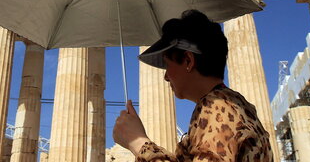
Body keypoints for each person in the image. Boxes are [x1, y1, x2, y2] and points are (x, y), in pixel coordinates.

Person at [113, 10, 273, 162]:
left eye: (167, 65)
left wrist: (139, 143)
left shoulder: (217, 109)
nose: (166, 76)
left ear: (188, 61)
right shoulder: (234, 105)